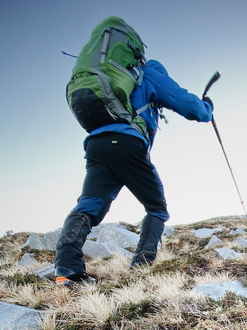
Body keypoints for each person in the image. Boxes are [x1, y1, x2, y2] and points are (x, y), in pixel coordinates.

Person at [54, 59, 213, 287]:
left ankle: (67, 269)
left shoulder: (110, 77)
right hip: (127, 144)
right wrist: (207, 108)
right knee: (157, 208)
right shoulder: (149, 74)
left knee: (88, 206)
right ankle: (140, 268)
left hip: (97, 146)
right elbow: (189, 105)